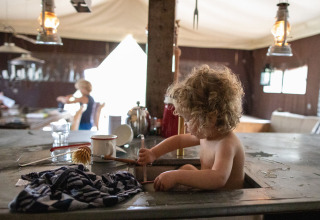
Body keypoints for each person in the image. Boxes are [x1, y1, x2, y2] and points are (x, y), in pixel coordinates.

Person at [138, 64, 245, 191]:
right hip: (213, 197)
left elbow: (218, 178)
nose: (185, 124)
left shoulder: (226, 144)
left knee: (182, 173)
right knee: (187, 168)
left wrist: (176, 176)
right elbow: (178, 141)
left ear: (210, 118)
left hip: (226, 205)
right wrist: (153, 153)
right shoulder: (208, 134)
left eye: (188, 119)